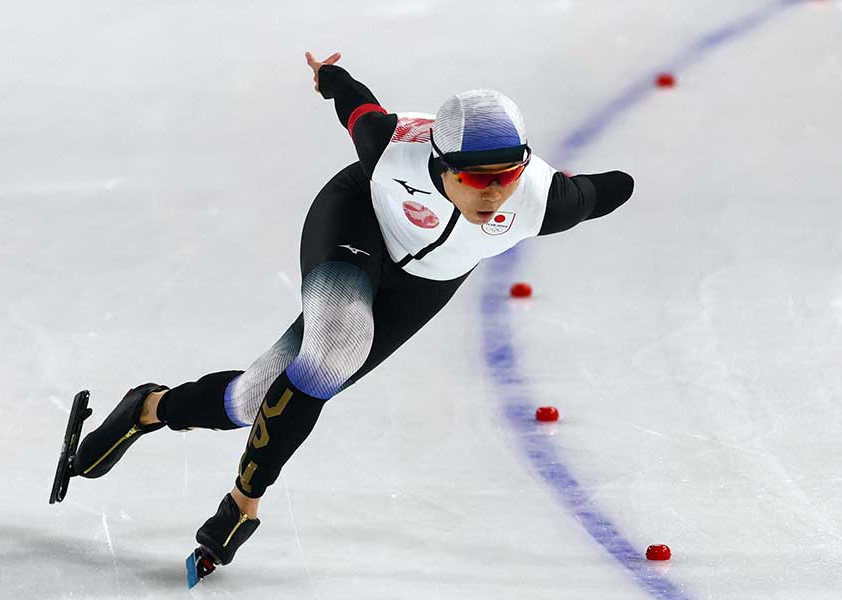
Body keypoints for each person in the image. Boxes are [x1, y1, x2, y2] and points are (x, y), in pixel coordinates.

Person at [71, 51, 635, 572]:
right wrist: (329, 77)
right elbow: (357, 105)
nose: (493, 194)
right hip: (355, 224)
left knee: (251, 399)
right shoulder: (391, 148)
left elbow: (611, 188)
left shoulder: (541, 199)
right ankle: (245, 502)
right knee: (332, 352)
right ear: (440, 162)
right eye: (475, 179)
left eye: (506, 176)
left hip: (425, 285)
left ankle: (148, 408)